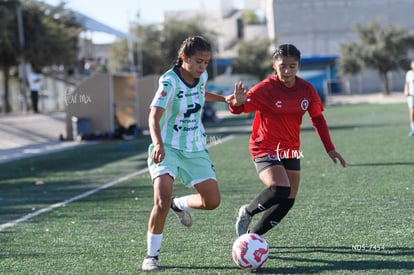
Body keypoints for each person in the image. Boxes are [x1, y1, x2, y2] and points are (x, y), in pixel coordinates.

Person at [228, 44, 347, 237]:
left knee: (288, 200)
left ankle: (252, 238)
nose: (287, 70)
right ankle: (247, 212)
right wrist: (237, 102)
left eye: (292, 66)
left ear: (298, 66)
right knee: (280, 188)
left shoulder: (307, 90)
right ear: (274, 66)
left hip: (290, 149)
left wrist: (330, 149)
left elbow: (317, 119)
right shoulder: (266, 88)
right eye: (282, 65)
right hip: (264, 146)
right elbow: (238, 109)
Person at [141, 36, 231, 271]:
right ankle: (151, 256)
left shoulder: (202, 78)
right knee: (161, 200)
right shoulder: (168, 81)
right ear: (184, 58)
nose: (203, 67)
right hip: (167, 148)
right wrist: (158, 144)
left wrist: (225, 99)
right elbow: (153, 116)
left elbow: (201, 95)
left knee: (212, 202)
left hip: (195, 148)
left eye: (206, 63)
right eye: (198, 62)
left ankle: (179, 204)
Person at [403, 59, 414, 137]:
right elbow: (406, 83)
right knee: (412, 111)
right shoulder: (409, 74)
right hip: (411, 95)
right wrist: (406, 90)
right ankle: (413, 129)